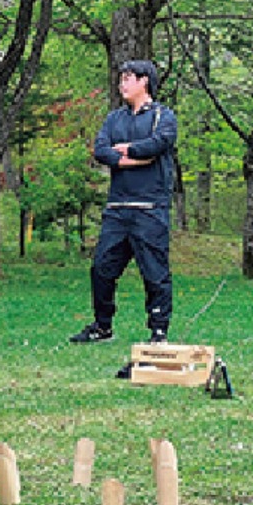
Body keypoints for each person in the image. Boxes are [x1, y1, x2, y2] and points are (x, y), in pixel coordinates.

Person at [69, 60, 178, 345]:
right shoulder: (114, 118)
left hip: (150, 209)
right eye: (121, 78)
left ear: (145, 81)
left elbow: (159, 144)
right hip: (117, 210)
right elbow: (101, 149)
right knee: (102, 268)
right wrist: (132, 159)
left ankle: (158, 331)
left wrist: (129, 149)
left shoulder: (162, 116)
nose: (122, 84)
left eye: (128, 78)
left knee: (155, 273)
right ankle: (102, 326)